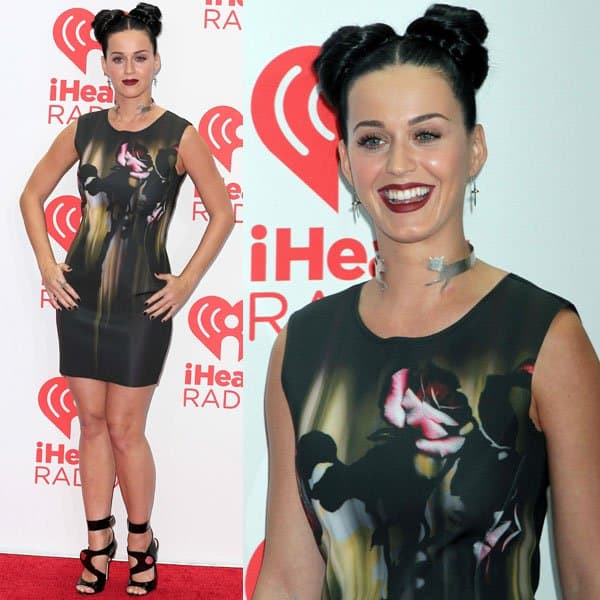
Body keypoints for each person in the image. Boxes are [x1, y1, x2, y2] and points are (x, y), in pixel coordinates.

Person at [254, 4, 600, 599]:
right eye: (372, 139)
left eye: (427, 134)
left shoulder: (545, 334)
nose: (398, 164)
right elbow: (287, 579)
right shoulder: (304, 343)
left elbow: (591, 576)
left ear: (475, 149)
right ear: (344, 162)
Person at [20, 3, 233, 595]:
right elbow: (31, 195)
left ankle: (141, 541)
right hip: (80, 295)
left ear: (157, 60)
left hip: (143, 301)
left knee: (123, 428)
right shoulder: (84, 131)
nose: (130, 67)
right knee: (90, 423)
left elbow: (223, 213)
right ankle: (97, 544)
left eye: (141, 56)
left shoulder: (179, 135)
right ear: (104, 65)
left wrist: (186, 283)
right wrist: (46, 264)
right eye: (118, 58)